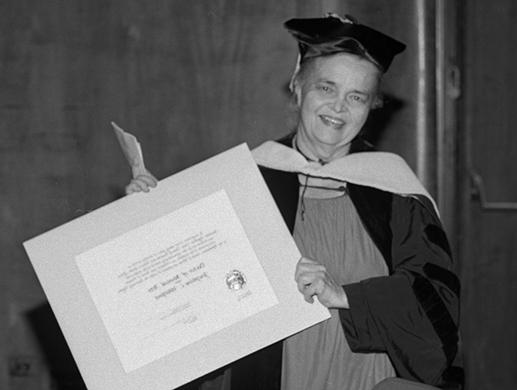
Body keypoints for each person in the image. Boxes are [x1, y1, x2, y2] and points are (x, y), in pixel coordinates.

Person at [126, 14, 461, 390]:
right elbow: (188, 285)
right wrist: (146, 221)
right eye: (326, 88)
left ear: (371, 107)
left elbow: (437, 309)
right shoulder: (249, 178)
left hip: (363, 379)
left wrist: (345, 295)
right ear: (298, 87)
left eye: (356, 96)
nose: (338, 107)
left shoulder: (395, 191)